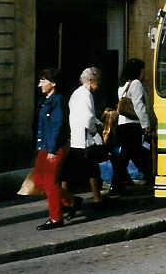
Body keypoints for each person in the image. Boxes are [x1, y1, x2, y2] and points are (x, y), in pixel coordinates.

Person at [32, 68, 75, 230]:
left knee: (50, 182)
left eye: (43, 81)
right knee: (38, 180)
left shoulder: (58, 100)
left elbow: (57, 125)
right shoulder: (45, 99)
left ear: (53, 83)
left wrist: (52, 149)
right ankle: (70, 201)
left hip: (54, 146)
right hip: (44, 144)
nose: (39, 84)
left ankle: (56, 218)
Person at [61, 67, 104, 208]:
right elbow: (88, 117)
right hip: (85, 138)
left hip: (75, 136)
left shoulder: (76, 93)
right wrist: (94, 130)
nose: (99, 84)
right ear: (91, 80)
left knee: (69, 170)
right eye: (98, 81)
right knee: (91, 169)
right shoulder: (86, 94)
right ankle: (96, 198)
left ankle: (66, 199)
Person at [111, 59, 153, 194]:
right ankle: (116, 184)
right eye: (142, 69)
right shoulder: (136, 84)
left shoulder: (122, 85)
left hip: (123, 125)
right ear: (138, 70)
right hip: (133, 125)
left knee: (132, 154)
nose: (144, 72)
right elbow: (139, 106)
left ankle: (146, 177)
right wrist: (146, 124)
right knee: (130, 155)